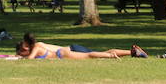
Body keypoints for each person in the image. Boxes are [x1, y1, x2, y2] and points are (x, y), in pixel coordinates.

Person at [15, 32, 146, 60]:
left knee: (93, 55)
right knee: (98, 53)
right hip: (70, 48)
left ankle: (111, 55)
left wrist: (17, 57)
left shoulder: (37, 46)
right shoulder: (39, 45)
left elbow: (30, 58)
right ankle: (132, 52)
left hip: (68, 51)